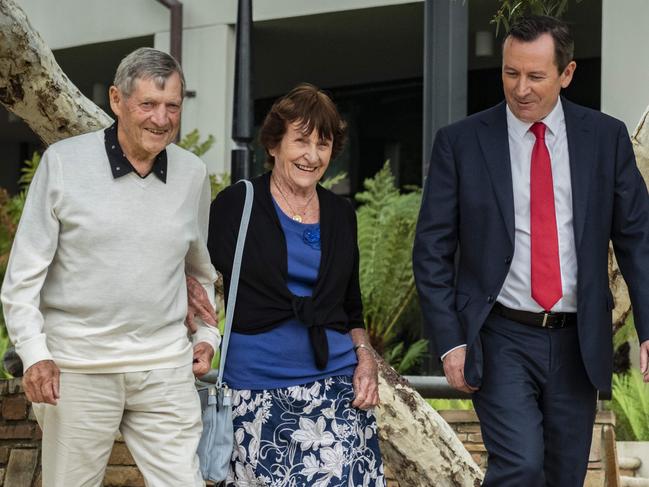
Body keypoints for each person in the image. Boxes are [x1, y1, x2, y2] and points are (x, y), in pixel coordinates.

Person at [413, 15, 649, 487]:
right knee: (519, 466)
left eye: (536, 76)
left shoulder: (605, 138)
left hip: (577, 339)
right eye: (510, 72)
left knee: (564, 476)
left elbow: (637, 238)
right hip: (501, 336)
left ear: (567, 74)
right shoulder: (460, 144)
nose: (520, 88)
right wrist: (452, 341)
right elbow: (432, 250)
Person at [1, 47, 219, 486]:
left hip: (164, 367)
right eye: (148, 104)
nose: (162, 119)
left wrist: (208, 335)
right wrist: (34, 353)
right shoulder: (63, 163)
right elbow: (23, 276)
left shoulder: (192, 173)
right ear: (117, 100)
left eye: (172, 106)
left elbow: (199, 269)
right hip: (77, 367)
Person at [189, 83, 385, 486]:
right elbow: (191, 271)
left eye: (323, 144)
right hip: (255, 394)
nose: (312, 156)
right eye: (301, 141)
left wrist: (366, 358)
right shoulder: (237, 205)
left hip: (336, 391)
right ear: (274, 144)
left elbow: (351, 304)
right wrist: (199, 326)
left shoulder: (340, 213)